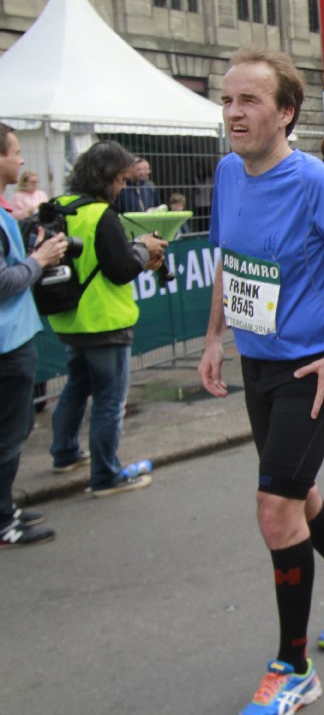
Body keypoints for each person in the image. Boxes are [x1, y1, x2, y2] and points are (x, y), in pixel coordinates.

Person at [197, 48, 324, 715]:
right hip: (257, 362)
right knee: (298, 494)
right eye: (227, 100)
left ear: (285, 112)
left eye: (248, 100)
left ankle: (294, 665)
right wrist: (215, 337)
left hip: (309, 370)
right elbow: (229, 260)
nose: (233, 113)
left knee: (274, 507)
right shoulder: (228, 171)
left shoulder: (318, 184)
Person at [47, 141, 167, 494]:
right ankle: (105, 476)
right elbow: (121, 269)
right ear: (107, 177)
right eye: (121, 179)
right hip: (106, 322)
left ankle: (65, 453)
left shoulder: (60, 206)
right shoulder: (102, 215)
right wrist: (143, 248)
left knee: (76, 387)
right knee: (110, 402)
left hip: (70, 319)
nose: (123, 186)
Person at [0, 122, 69, 549]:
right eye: (15, 152)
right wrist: (39, 260)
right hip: (6, 347)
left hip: (14, 341)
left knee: (18, 427)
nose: (22, 159)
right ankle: (3, 522)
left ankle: (5, 508)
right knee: (9, 435)